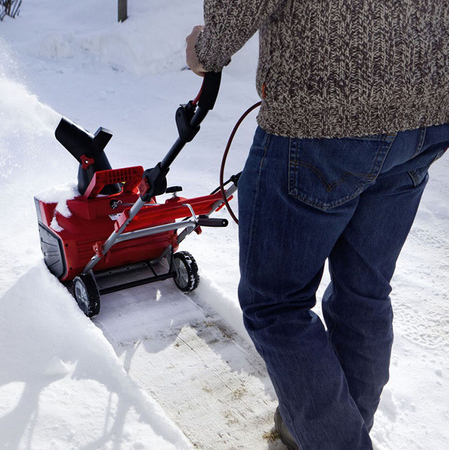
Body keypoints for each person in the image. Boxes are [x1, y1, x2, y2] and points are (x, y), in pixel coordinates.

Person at [186, 1, 449, 449]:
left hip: (323, 114)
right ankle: (328, 427)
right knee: (363, 292)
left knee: (276, 306)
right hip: (425, 113)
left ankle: (336, 438)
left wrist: (207, 49)